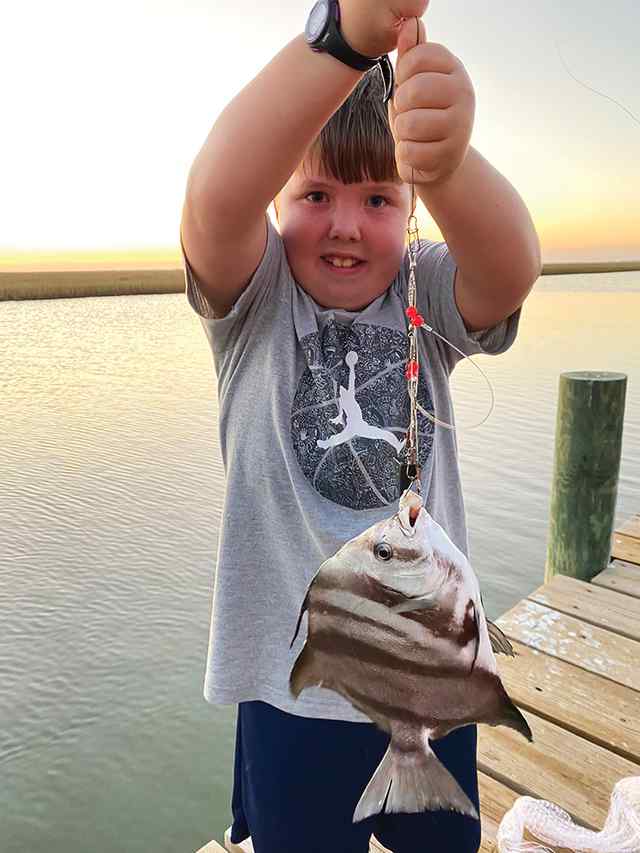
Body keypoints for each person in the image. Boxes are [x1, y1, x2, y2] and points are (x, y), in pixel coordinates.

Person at [180, 2, 541, 851]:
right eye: (315, 193)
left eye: (379, 196)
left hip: (432, 675)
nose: (344, 222)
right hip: (290, 688)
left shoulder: (425, 289)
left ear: (412, 209)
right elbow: (214, 194)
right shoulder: (254, 300)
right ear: (279, 199)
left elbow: (511, 268)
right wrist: (341, 40)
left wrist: (446, 165)